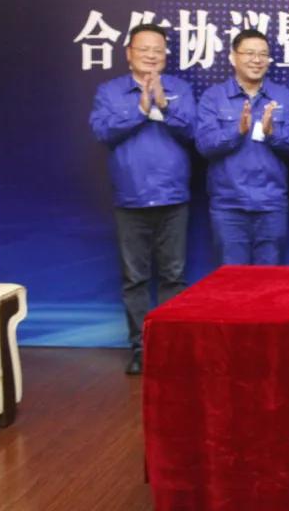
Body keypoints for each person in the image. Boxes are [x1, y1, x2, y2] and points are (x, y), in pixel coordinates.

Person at [89, 22, 195, 375]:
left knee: (173, 277)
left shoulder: (179, 89)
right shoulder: (110, 91)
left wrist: (164, 105)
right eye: (144, 49)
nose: (151, 55)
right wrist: (140, 109)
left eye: (158, 50)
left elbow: (195, 133)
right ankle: (140, 348)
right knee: (134, 278)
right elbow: (102, 131)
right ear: (129, 53)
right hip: (131, 198)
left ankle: (171, 348)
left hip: (173, 198)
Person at [195, 29, 289, 265]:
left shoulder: (283, 97)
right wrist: (237, 131)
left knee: (268, 278)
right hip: (228, 204)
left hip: (271, 203)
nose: (257, 60)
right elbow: (204, 145)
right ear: (233, 57)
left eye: (263, 54)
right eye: (249, 53)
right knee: (232, 278)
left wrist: (272, 134)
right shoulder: (214, 97)